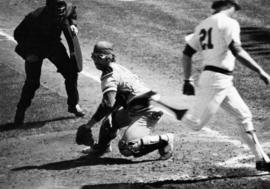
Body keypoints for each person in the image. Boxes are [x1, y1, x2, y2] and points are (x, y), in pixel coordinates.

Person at [181, 0, 270, 171]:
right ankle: (157, 101)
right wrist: (260, 71)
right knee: (196, 123)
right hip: (216, 80)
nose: (234, 12)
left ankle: (261, 160)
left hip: (220, 79)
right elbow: (237, 50)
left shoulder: (203, 24)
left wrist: (188, 79)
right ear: (227, 5)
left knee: (244, 115)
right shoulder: (229, 23)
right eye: (233, 8)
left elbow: (187, 53)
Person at [75, 41, 174, 160]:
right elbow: (120, 97)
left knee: (127, 148)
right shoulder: (117, 68)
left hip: (148, 111)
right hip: (137, 106)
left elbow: (107, 104)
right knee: (108, 123)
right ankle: (102, 147)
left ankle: (165, 140)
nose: (96, 60)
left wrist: (88, 125)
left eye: (99, 57)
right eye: (93, 56)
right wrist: (111, 114)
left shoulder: (109, 74)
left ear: (109, 58)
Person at [13, 0, 85, 124]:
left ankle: (73, 105)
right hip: (34, 47)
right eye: (57, 6)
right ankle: (21, 110)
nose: (61, 9)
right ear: (49, 6)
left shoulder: (67, 8)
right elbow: (18, 34)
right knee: (32, 83)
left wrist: (73, 24)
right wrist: (27, 54)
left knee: (71, 73)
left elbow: (71, 12)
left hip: (53, 46)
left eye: (62, 5)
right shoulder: (34, 17)